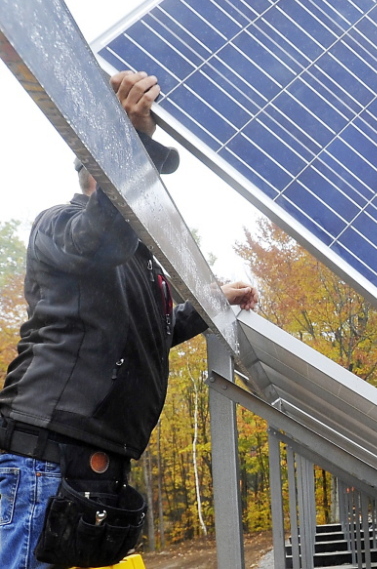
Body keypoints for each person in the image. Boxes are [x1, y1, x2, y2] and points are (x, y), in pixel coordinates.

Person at [0, 70, 259, 569]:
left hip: (91, 464)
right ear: (97, 174)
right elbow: (100, 239)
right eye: (138, 168)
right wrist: (129, 141)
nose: (149, 183)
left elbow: (153, 334)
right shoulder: (60, 225)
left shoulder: (142, 265)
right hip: (44, 457)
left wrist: (210, 302)